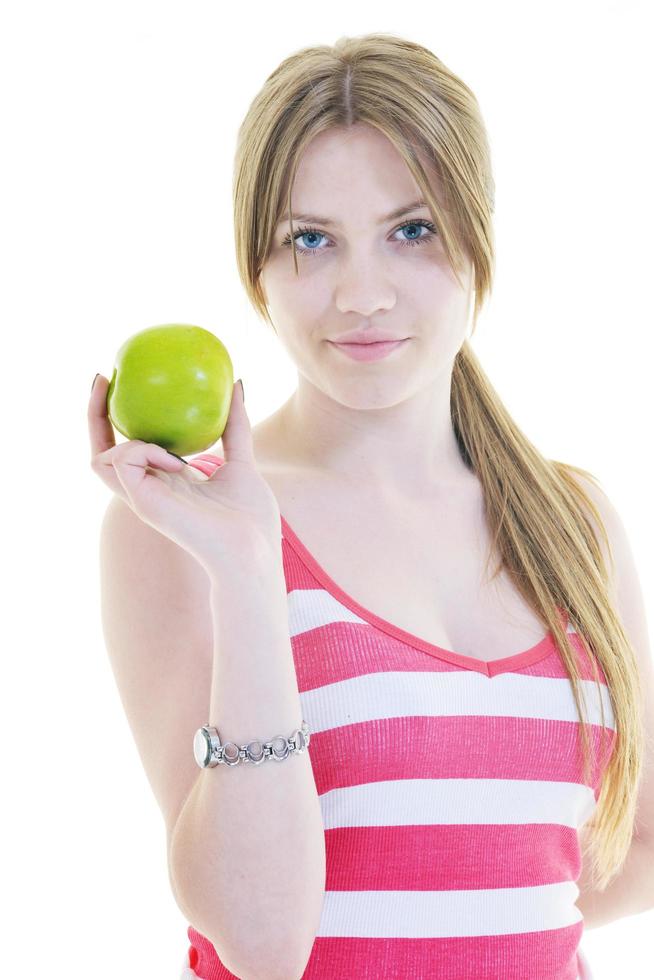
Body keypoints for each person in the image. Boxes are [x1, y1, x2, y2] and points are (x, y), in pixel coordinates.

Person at [89, 33, 651, 980]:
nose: (362, 294)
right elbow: (263, 942)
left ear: (479, 242)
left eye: (412, 229)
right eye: (311, 240)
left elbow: (626, 851)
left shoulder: (572, 520)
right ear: (255, 272)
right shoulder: (186, 527)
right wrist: (245, 567)